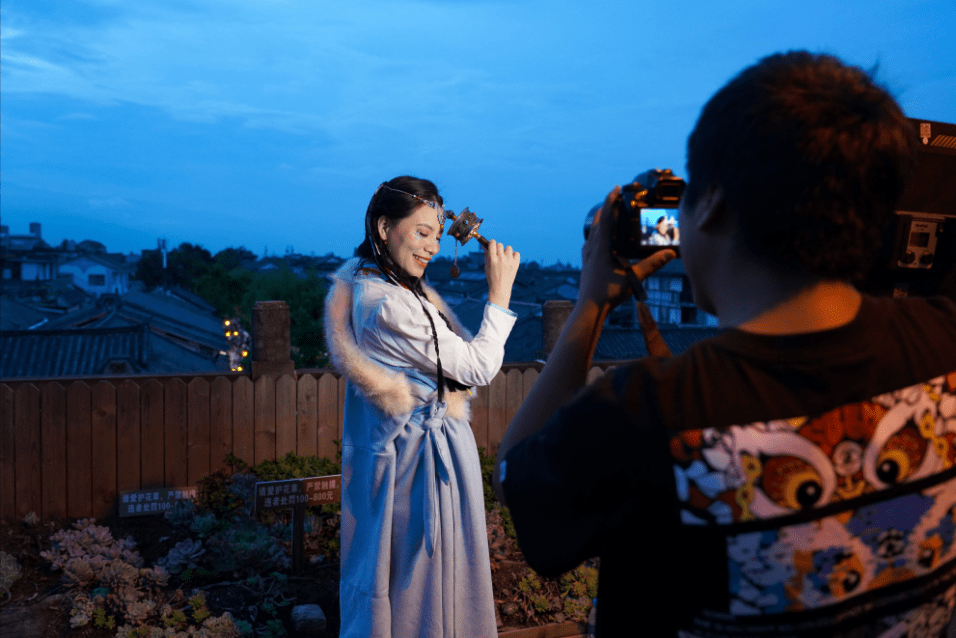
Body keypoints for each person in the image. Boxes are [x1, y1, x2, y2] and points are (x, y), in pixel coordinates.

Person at [494, 51, 956, 637]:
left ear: (711, 202)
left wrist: (590, 306)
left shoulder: (648, 411)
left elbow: (516, 480)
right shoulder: (943, 341)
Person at [325, 175, 520, 638]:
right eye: (421, 232)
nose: (432, 247)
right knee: (423, 589)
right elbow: (476, 367)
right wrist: (499, 295)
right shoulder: (389, 306)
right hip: (420, 468)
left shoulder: (377, 285)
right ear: (384, 228)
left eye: (437, 234)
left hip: (418, 455)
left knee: (419, 584)